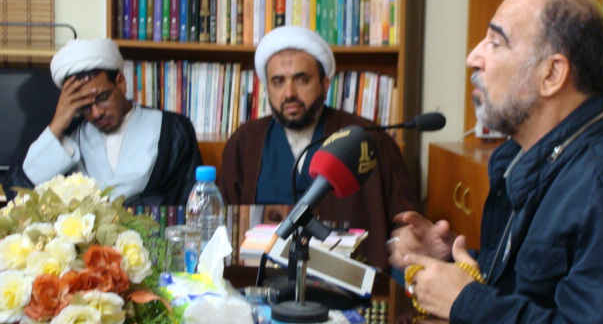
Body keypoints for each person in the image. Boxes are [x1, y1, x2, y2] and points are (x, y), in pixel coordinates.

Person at [388, 0, 603, 324]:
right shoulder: (522, 157)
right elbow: (533, 292)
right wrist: (453, 264)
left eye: (496, 42)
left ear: (551, 74)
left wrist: (465, 300)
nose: (474, 57)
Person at [219, 25, 421, 269]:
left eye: (301, 79)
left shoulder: (367, 138)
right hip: (261, 274)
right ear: (267, 89)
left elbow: (405, 220)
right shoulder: (245, 141)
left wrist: (404, 239)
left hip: (347, 277)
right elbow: (224, 224)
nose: (289, 93)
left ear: (325, 84)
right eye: (278, 82)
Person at [3, 39, 202, 206]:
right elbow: (18, 194)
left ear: (120, 83)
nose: (96, 113)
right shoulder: (67, 135)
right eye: (84, 106)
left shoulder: (172, 129)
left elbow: (188, 202)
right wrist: (58, 123)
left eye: (103, 97)